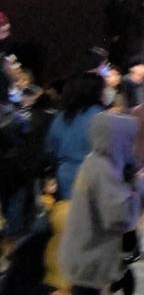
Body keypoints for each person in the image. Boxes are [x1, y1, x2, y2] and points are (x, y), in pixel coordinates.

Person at [58, 112, 144, 295]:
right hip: (90, 254)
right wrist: (139, 186)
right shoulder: (105, 168)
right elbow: (117, 215)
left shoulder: (93, 162)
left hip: (83, 251)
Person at [45, 70, 106, 199]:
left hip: (64, 176)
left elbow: (51, 149)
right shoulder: (102, 118)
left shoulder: (60, 117)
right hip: (92, 179)